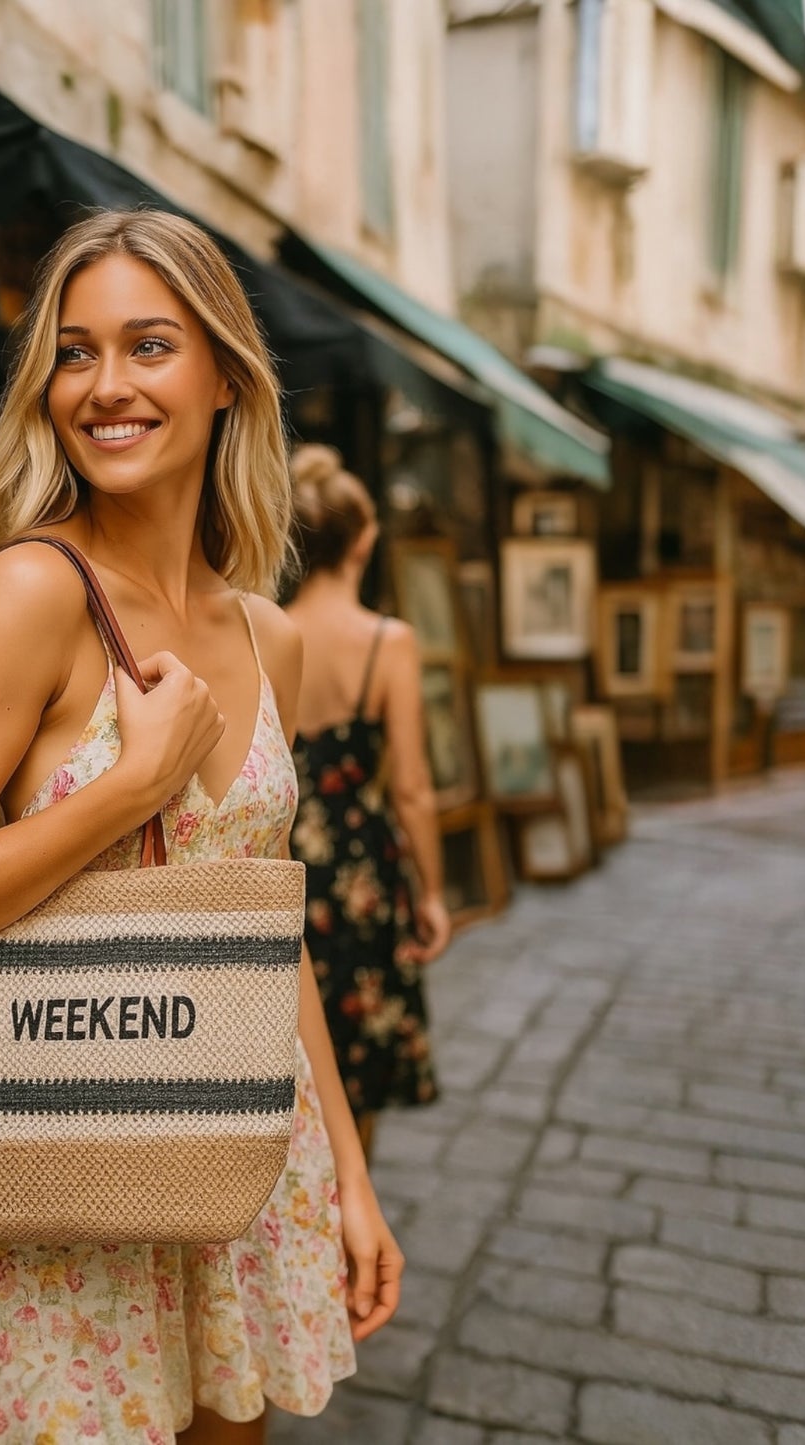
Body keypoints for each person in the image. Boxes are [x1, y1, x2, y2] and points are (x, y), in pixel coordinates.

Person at [0, 212, 403, 1445]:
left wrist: (351, 1176)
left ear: (221, 375)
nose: (105, 386)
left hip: (236, 1154)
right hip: (54, 1167)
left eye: (149, 345)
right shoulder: (29, 593)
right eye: (74, 351)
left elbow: (266, 933)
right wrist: (123, 790)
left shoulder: (273, 635)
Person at [284, 446, 452, 1155]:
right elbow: (411, 786)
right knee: (356, 1071)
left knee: (288, 1069)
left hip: (282, 861)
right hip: (359, 874)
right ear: (361, 540)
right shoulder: (389, 642)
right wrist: (434, 892)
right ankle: (353, 1225)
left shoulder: (263, 628)